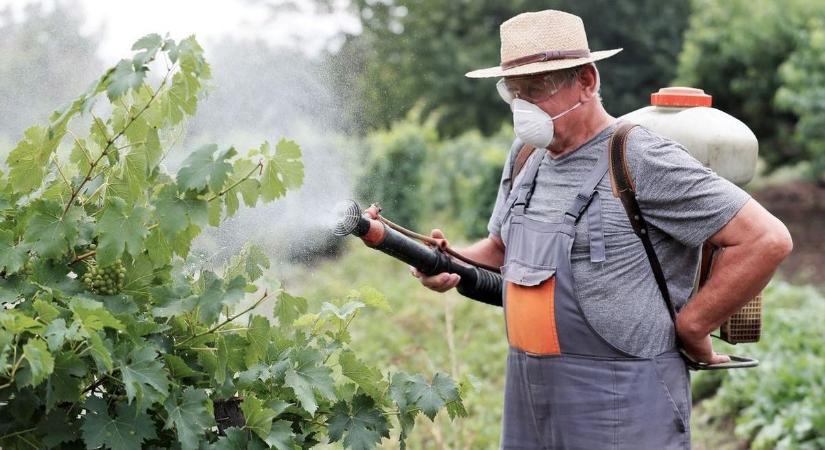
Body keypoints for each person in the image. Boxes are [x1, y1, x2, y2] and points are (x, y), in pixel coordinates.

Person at [409, 9, 793, 450]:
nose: (523, 109)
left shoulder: (637, 158)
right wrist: (447, 260)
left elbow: (766, 239)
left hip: (623, 398)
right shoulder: (526, 157)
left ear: (587, 81)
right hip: (530, 391)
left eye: (535, 90)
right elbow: (500, 247)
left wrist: (693, 325)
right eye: (513, 94)